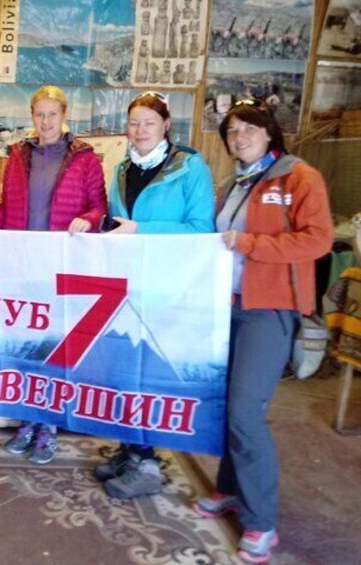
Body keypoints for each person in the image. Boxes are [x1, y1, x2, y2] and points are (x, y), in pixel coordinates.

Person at [195, 98, 332, 564]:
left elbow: (318, 239)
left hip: (270, 310)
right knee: (230, 405)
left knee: (245, 414)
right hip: (229, 306)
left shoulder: (298, 176)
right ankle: (231, 489)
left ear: (270, 132)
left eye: (248, 130)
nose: (240, 139)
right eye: (232, 132)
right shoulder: (237, 182)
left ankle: (261, 523)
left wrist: (251, 244)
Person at [0, 85, 107, 465]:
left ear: (64, 115)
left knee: (54, 348)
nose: (46, 121)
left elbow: (98, 207)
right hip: (22, 268)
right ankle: (27, 420)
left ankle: (49, 426)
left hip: (61, 267)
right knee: (24, 345)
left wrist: (86, 221)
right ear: (32, 116)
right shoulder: (18, 156)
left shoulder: (85, 159)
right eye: (39, 114)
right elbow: (7, 212)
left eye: (53, 114)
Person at [94, 90, 215, 499]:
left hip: (169, 285)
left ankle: (147, 463)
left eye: (149, 122)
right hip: (129, 283)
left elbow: (201, 231)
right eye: (133, 123)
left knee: (150, 372)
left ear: (166, 125)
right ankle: (132, 449)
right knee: (127, 369)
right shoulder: (123, 169)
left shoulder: (190, 167)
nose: (140, 130)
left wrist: (141, 231)